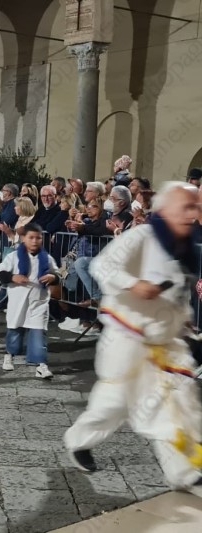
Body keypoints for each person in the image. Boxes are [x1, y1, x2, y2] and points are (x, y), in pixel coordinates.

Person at [64, 182, 202, 500]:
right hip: (127, 339)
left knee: (178, 403)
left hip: (165, 345)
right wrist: (134, 284)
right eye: (186, 206)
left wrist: (184, 321)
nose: (191, 214)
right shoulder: (141, 236)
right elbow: (102, 266)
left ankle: (186, 472)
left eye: (194, 207)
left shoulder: (186, 247)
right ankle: (79, 440)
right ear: (167, 209)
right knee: (114, 404)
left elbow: (176, 294)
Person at [0, 223, 60, 378]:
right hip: (18, 302)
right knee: (15, 330)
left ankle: (41, 365)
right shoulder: (13, 257)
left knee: (39, 333)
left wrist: (52, 277)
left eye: (38, 238)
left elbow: (57, 275)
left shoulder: (47, 258)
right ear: (23, 238)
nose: (35, 241)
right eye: (31, 237)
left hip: (39, 302)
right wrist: (13, 277)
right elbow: (1, 273)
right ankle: (9, 354)